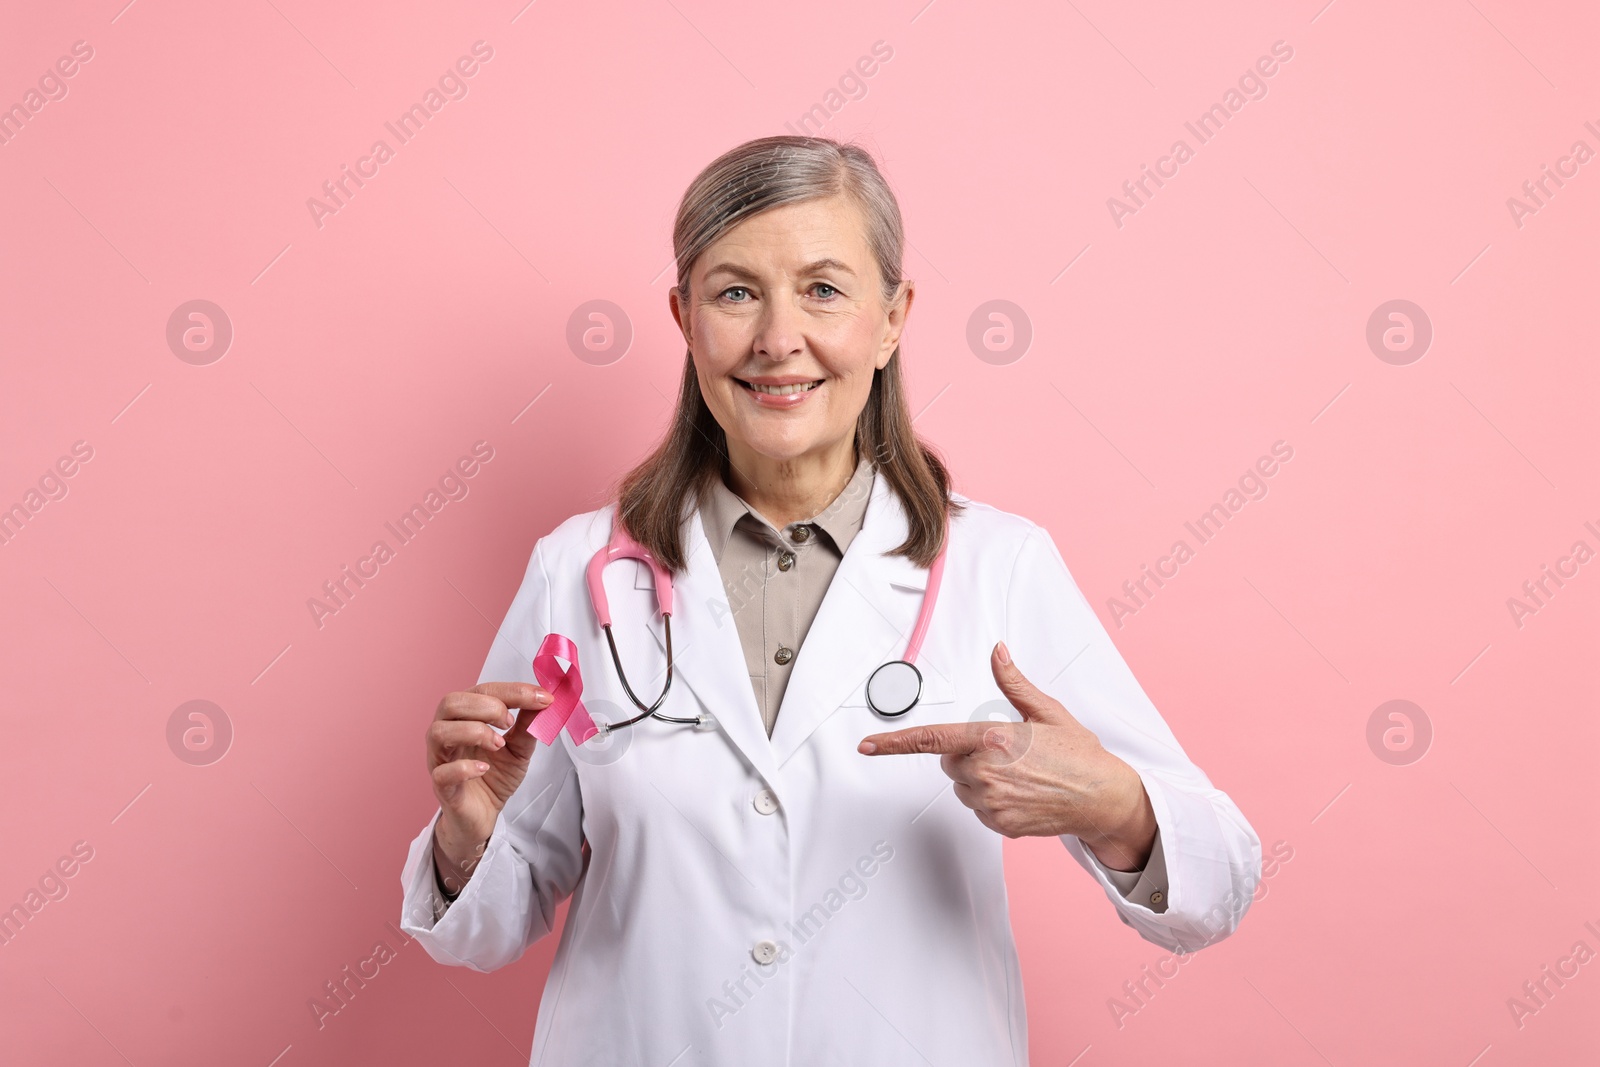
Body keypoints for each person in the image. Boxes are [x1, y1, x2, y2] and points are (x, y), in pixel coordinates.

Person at [399, 135, 1260, 1065]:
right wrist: (469, 838)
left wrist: (1117, 807)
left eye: (823, 289)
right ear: (685, 319)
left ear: (893, 319)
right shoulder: (580, 571)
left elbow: (1219, 888)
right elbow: (485, 928)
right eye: (736, 292)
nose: (778, 339)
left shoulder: (999, 565)